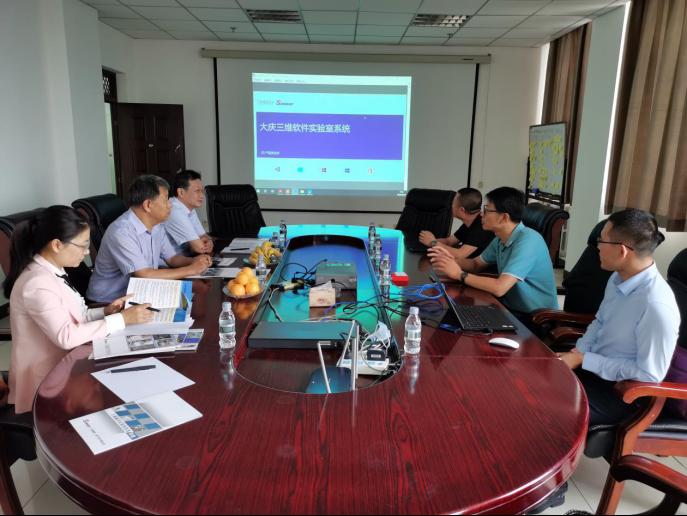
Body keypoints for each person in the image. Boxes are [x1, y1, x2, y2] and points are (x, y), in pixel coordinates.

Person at [2, 206, 154, 414]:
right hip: (47, 382)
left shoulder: (54, 272)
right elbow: (66, 336)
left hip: (68, 365)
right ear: (57, 245)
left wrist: (106, 312)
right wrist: (122, 320)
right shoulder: (37, 283)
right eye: (82, 246)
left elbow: (76, 316)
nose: (86, 252)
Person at [557, 209, 680, 426]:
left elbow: (649, 374)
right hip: (593, 372)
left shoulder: (655, 304)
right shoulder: (617, 278)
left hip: (622, 393)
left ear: (622, 251)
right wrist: (577, 353)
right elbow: (600, 321)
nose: (597, 247)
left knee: (544, 410)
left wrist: (585, 360)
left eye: (601, 241)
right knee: (531, 383)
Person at [428, 186, 558, 316]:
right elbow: (475, 264)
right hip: (508, 308)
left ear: (504, 217)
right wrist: (448, 260)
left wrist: (459, 274)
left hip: (536, 317)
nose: (481, 214)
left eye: (487, 210)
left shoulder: (529, 241)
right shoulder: (500, 238)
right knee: (453, 312)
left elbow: (499, 287)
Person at [87, 175, 211, 303]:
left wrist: (194, 261)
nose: (170, 205)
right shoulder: (122, 232)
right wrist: (191, 269)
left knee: (195, 297)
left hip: (140, 292)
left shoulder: (157, 225)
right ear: (148, 205)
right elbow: (145, 274)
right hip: (108, 302)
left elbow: (172, 259)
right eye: (166, 200)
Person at [419, 187, 495, 259]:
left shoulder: (481, 226)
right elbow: (449, 241)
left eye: (453, 203)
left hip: (482, 267)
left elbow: (460, 254)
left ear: (462, 210)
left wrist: (433, 242)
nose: (451, 206)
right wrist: (428, 240)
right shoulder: (470, 222)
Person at [165, 170, 213, 256]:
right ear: (181, 192)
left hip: (185, 257)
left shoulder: (189, 207)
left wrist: (209, 241)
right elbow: (199, 248)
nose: (202, 195)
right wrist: (199, 243)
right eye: (197, 191)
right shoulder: (174, 210)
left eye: (202, 191)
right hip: (171, 261)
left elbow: (203, 236)